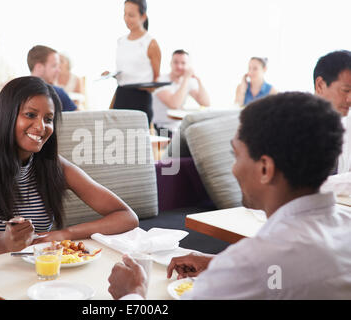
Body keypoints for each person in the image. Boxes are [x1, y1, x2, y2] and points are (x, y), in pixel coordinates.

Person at [108, 92, 351, 299]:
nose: (233, 169)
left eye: (236, 155)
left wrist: (133, 292)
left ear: (265, 169)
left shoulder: (251, 263)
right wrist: (219, 264)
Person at [0, 76, 139, 272]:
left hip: (38, 279)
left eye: (48, 119)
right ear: (7, 116)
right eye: (30, 115)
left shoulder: (54, 166)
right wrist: (2, 243)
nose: (41, 127)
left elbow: (127, 217)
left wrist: (64, 234)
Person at [102, 0, 162, 125]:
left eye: (131, 15)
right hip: (121, 96)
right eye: (125, 14)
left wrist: (142, 85)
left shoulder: (150, 43)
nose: (126, 19)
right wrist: (112, 74)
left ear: (143, 16)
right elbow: (126, 70)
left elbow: (156, 81)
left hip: (140, 99)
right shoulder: (121, 41)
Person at [152, 49, 210, 135]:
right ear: (170, 63)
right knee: (180, 145)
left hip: (179, 127)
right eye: (176, 62)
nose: (179, 66)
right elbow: (174, 105)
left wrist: (198, 80)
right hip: (162, 128)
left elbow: (205, 103)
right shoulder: (160, 80)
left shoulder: (187, 82)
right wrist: (186, 78)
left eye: (183, 63)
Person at [27, 45, 78, 112]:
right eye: (54, 66)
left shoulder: (15, 90)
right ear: (39, 67)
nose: (58, 70)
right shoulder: (57, 93)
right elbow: (80, 120)